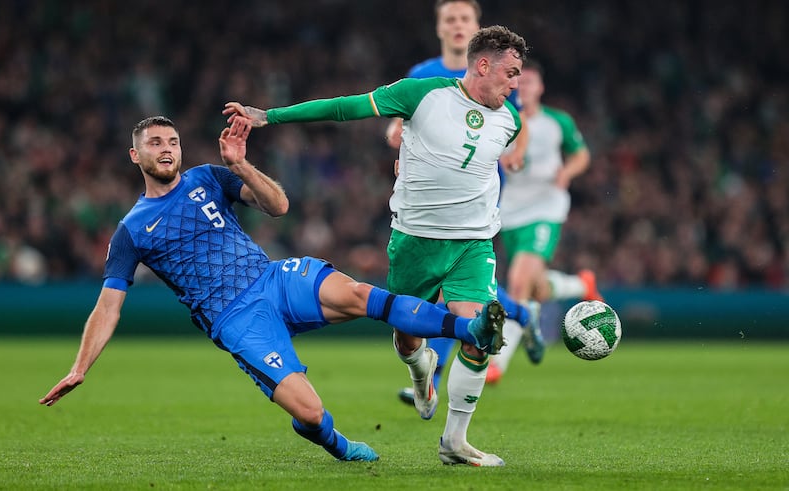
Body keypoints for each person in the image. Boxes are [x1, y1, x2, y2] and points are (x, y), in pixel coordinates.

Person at [38, 115, 508, 464]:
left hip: (273, 279)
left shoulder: (208, 177)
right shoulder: (131, 230)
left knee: (363, 296)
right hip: (236, 320)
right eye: (155, 143)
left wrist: (241, 166)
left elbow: (279, 205)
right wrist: (80, 367)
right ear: (135, 155)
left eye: (173, 141)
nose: (166, 149)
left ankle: (470, 329)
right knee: (310, 412)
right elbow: (108, 306)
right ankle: (338, 444)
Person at [224, 24, 528, 467]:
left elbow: (479, 171)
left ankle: (454, 443)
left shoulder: (510, 121)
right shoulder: (420, 94)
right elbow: (344, 108)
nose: (515, 83)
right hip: (416, 242)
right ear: (483, 65)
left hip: (474, 243)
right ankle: (419, 368)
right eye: (511, 73)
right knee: (407, 338)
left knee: (481, 334)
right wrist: (270, 116)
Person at [383, 0, 540, 408]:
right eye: (449, 19)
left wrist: (517, 151)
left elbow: (518, 121)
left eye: (464, 19)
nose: (456, 25)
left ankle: (431, 375)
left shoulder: (497, 75)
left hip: (478, 198)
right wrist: (399, 139)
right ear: (439, 28)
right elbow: (396, 123)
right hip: (429, 195)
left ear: (476, 26)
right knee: (456, 294)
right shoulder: (423, 75)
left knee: (453, 291)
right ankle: (522, 316)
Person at [486, 59, 603, 384]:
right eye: (518, 82)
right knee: (536, 288)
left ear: (540, 88)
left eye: (529, 83)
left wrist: (567, 171)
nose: (523, 87)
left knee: (519, 283)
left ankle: (498, 362)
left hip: (545, 209)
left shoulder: (557, 122)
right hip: (507, 212)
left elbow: (581, 154)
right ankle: (581, 284)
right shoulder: (498, 117)